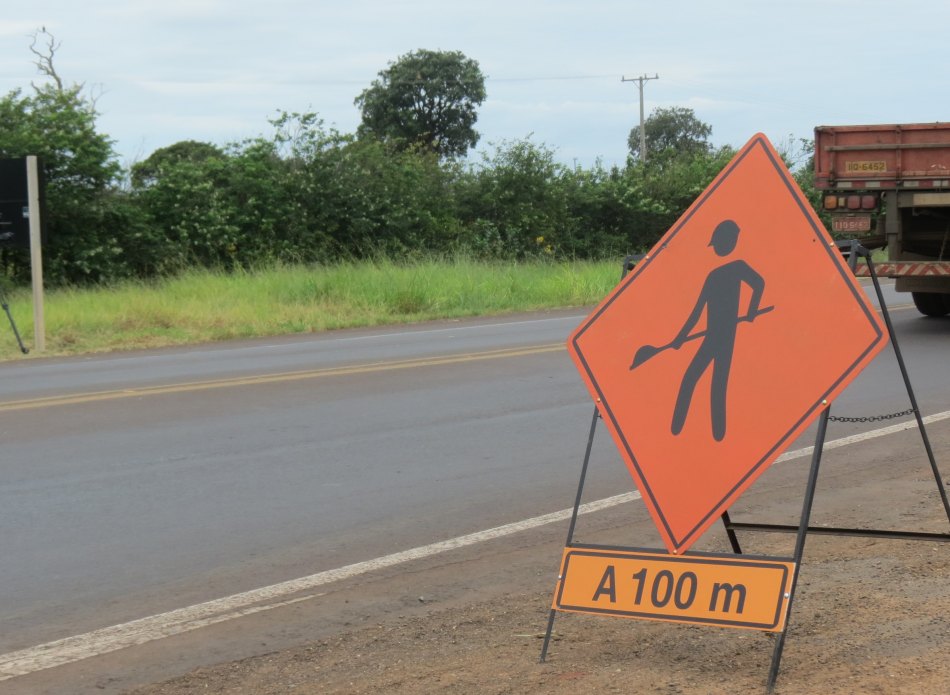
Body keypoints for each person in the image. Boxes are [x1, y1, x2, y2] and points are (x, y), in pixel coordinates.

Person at [668, 219, 766, 442]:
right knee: (694, 379)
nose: (718, 249)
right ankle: (678, 430)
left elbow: (759, 283)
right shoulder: (712, 275)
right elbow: (697, 312)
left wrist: (751, 311)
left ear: (731, 240)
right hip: (714, 335)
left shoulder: (738, 266)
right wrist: (679, 338)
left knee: (715, 383)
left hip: (724, 335)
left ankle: (718, 436)